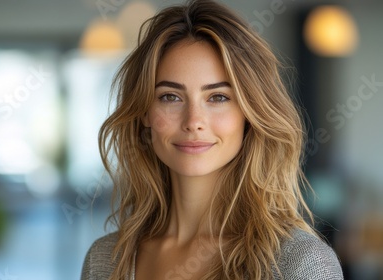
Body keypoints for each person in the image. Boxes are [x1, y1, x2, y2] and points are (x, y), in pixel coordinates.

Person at [81, 0, 343, 279]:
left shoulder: (300, 263)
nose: (194, 121)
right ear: (145, 111)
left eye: (218, 97)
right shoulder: (105, 260)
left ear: (249, 112)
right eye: (170, 97)